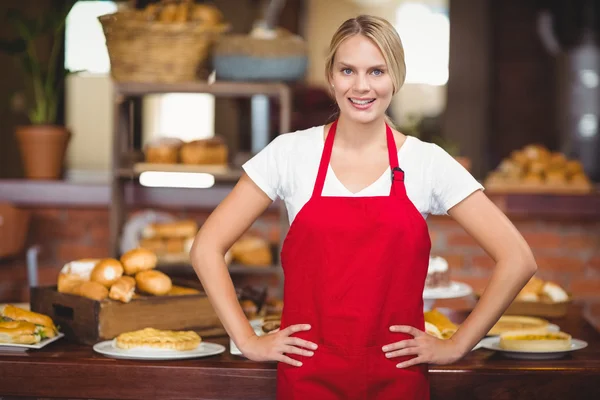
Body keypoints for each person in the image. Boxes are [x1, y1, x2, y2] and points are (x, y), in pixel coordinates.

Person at [190, 14, 537, 400]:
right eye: (347, 70)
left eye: (376, 71)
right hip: (308, 379)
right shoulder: (290, 153)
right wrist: (248, 339)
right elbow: (206, 247)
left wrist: (457, 344)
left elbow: (517, 258)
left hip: (396, 379)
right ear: (331, 77)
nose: (361, 86)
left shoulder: (428, 162)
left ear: (396, 78)